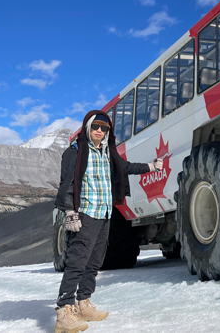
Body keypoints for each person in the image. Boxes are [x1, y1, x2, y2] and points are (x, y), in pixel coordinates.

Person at [54, 110, 162, 333]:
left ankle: (83, 303)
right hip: (85, 214)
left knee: (94, 262)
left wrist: (151, 167)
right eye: (96, 127)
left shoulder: (107, 152)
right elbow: (66, 184)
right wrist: (69, 212)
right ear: (87, 128)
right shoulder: (75, 152)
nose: (100, 131)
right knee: (77, 261)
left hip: (104, 214)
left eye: (104, 128)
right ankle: (64, 311)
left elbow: (126, 167)